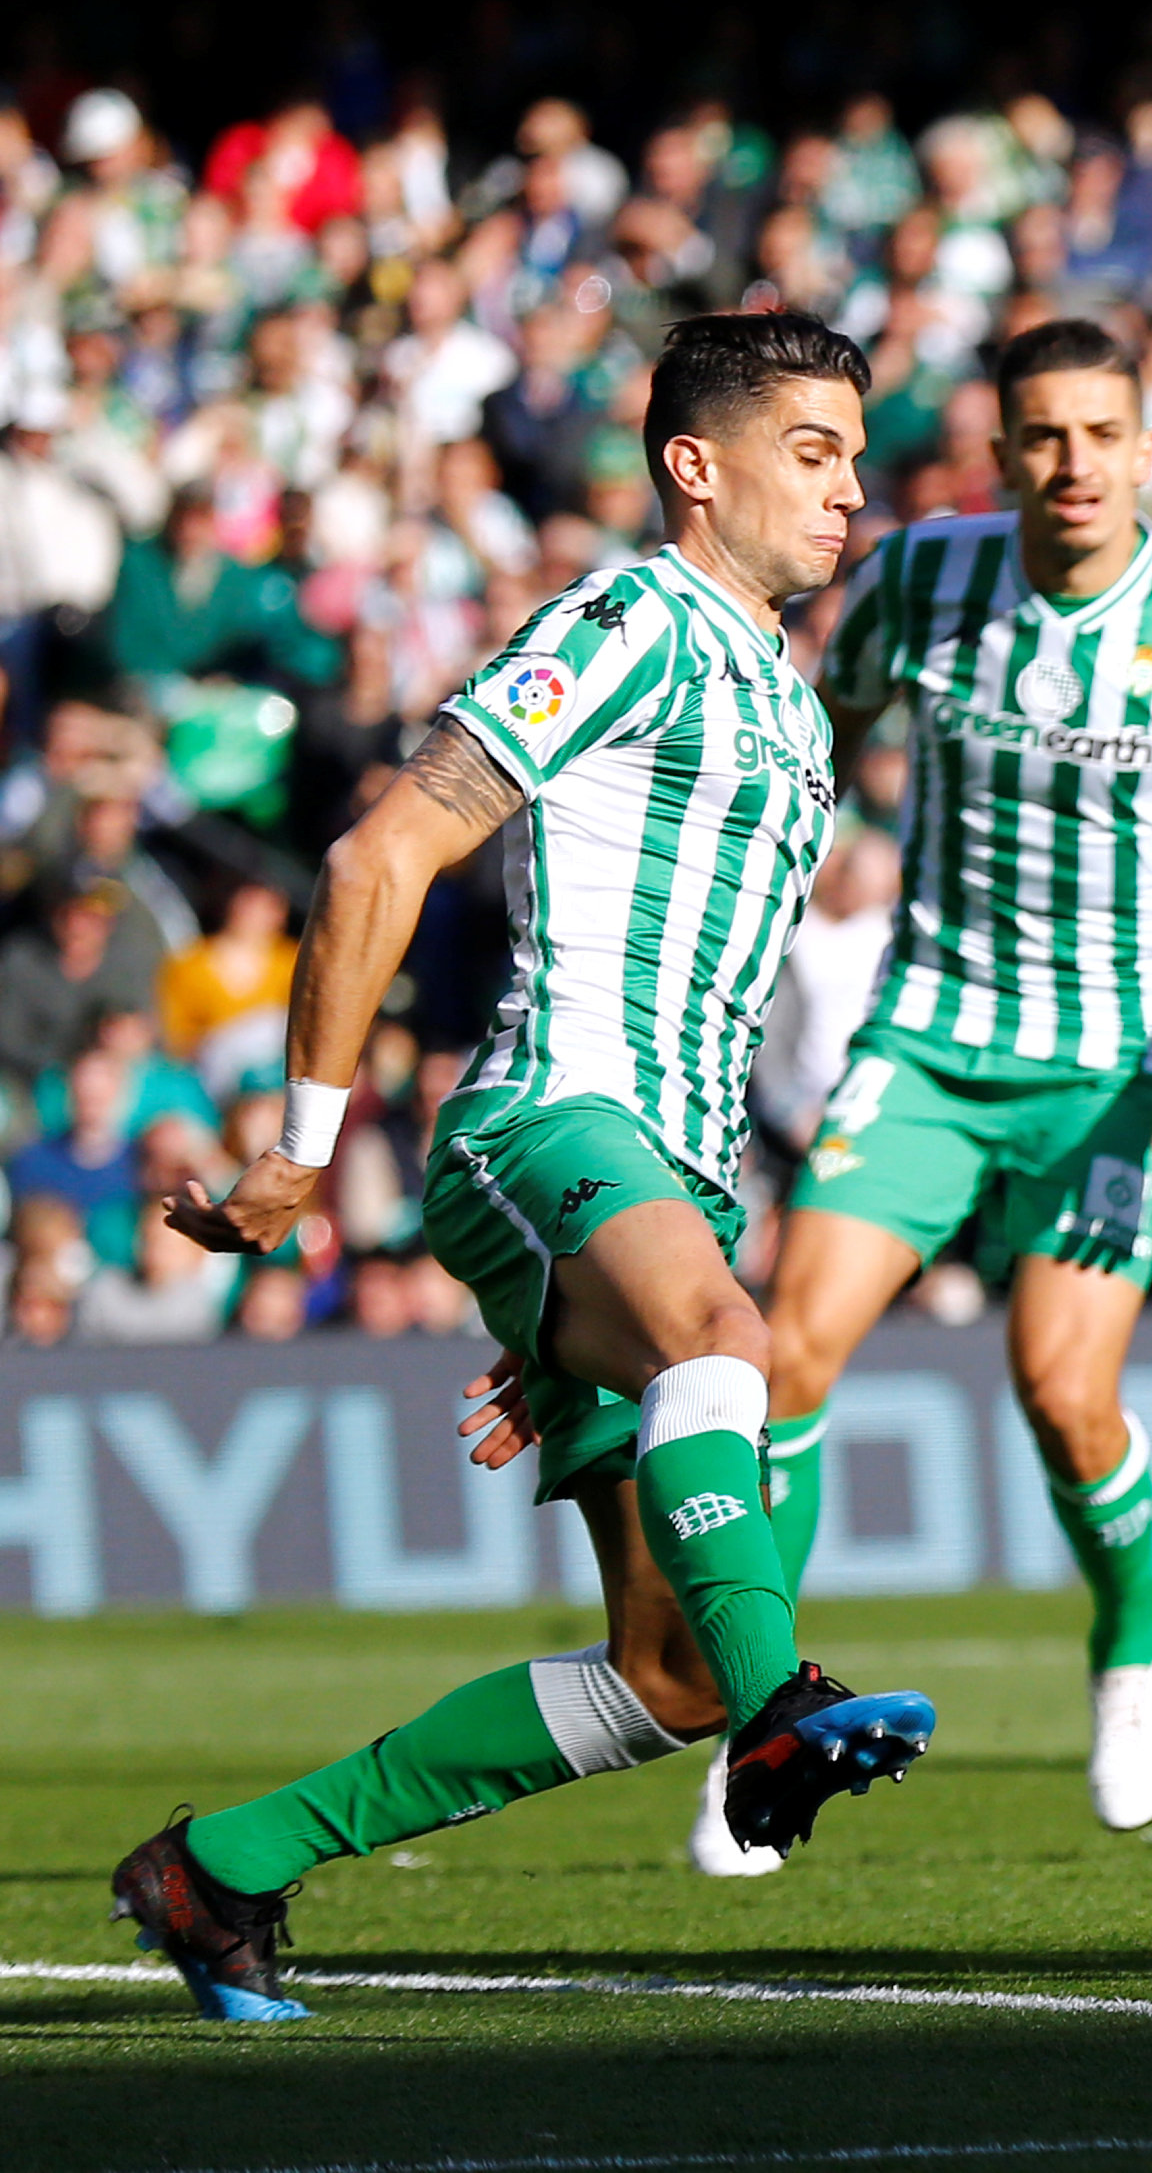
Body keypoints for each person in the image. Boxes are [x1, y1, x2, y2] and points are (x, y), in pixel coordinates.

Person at [118, 311, 937, 2022]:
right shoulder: (626, 619)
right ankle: (794, 1688)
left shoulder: (786, 702)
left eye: (858, 454)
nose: (851, 487)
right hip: (550, 1117)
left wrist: (573, 1311)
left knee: (666, 1674)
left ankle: (225, 1864)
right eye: (814, 449)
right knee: (731, 1341)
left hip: (659, 1185)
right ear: (693, 466)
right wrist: (300, 1149)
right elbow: (376, 856)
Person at [714, 317, 1152, 1874]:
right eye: (1041, 435)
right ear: (1002, 449)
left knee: (1063, 1391)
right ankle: (764, 1724)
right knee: (783, 1355)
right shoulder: (923, 577)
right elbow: (824, 721)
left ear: (1144, 445)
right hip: (924, 1036)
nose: (1071, 464)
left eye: (1099, 434)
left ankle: (1131, 1651)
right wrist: (811, 840)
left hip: (1113, 1068)